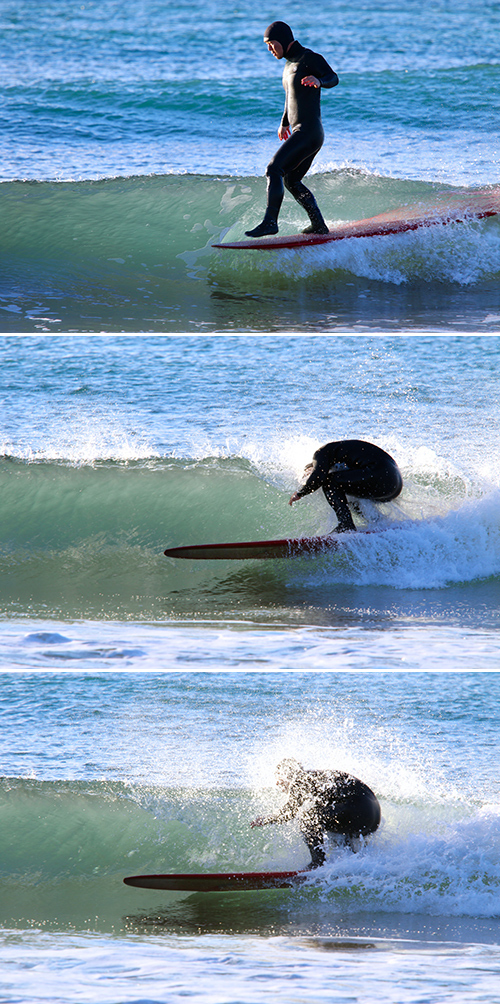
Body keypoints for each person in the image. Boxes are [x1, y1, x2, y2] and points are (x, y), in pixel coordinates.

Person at [245, 21, 338, 238]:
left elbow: (334, 78)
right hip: (302, 131)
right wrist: (284, 121)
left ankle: (270, 222)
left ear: (283, 41)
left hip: (309, 131)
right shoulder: (288, 66)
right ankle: (319, 225)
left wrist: (319, 80)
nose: (269, 49)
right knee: (291, 180)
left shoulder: (309, 58)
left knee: (273, 169)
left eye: (271, 44)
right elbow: (290, 98)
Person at [251, 759, 381, 868]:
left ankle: (318, 863)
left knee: (308, 819)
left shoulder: (300, 779)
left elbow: (289, 813)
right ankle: (350, 864)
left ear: (286, 774)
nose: (277, 783)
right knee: (327, 819)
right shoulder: (316, 779)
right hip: (372, 817)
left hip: (357, 810)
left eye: (278, 777)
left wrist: (265, 820)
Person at [289, 439, 403, 533]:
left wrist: (300, 493)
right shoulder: (341, 456)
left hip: (380, 475)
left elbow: (318, 477)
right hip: (394, 484)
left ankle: (345, 525)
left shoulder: (322, 453)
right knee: (347, 496)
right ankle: (380, 523)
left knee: (330, 482)